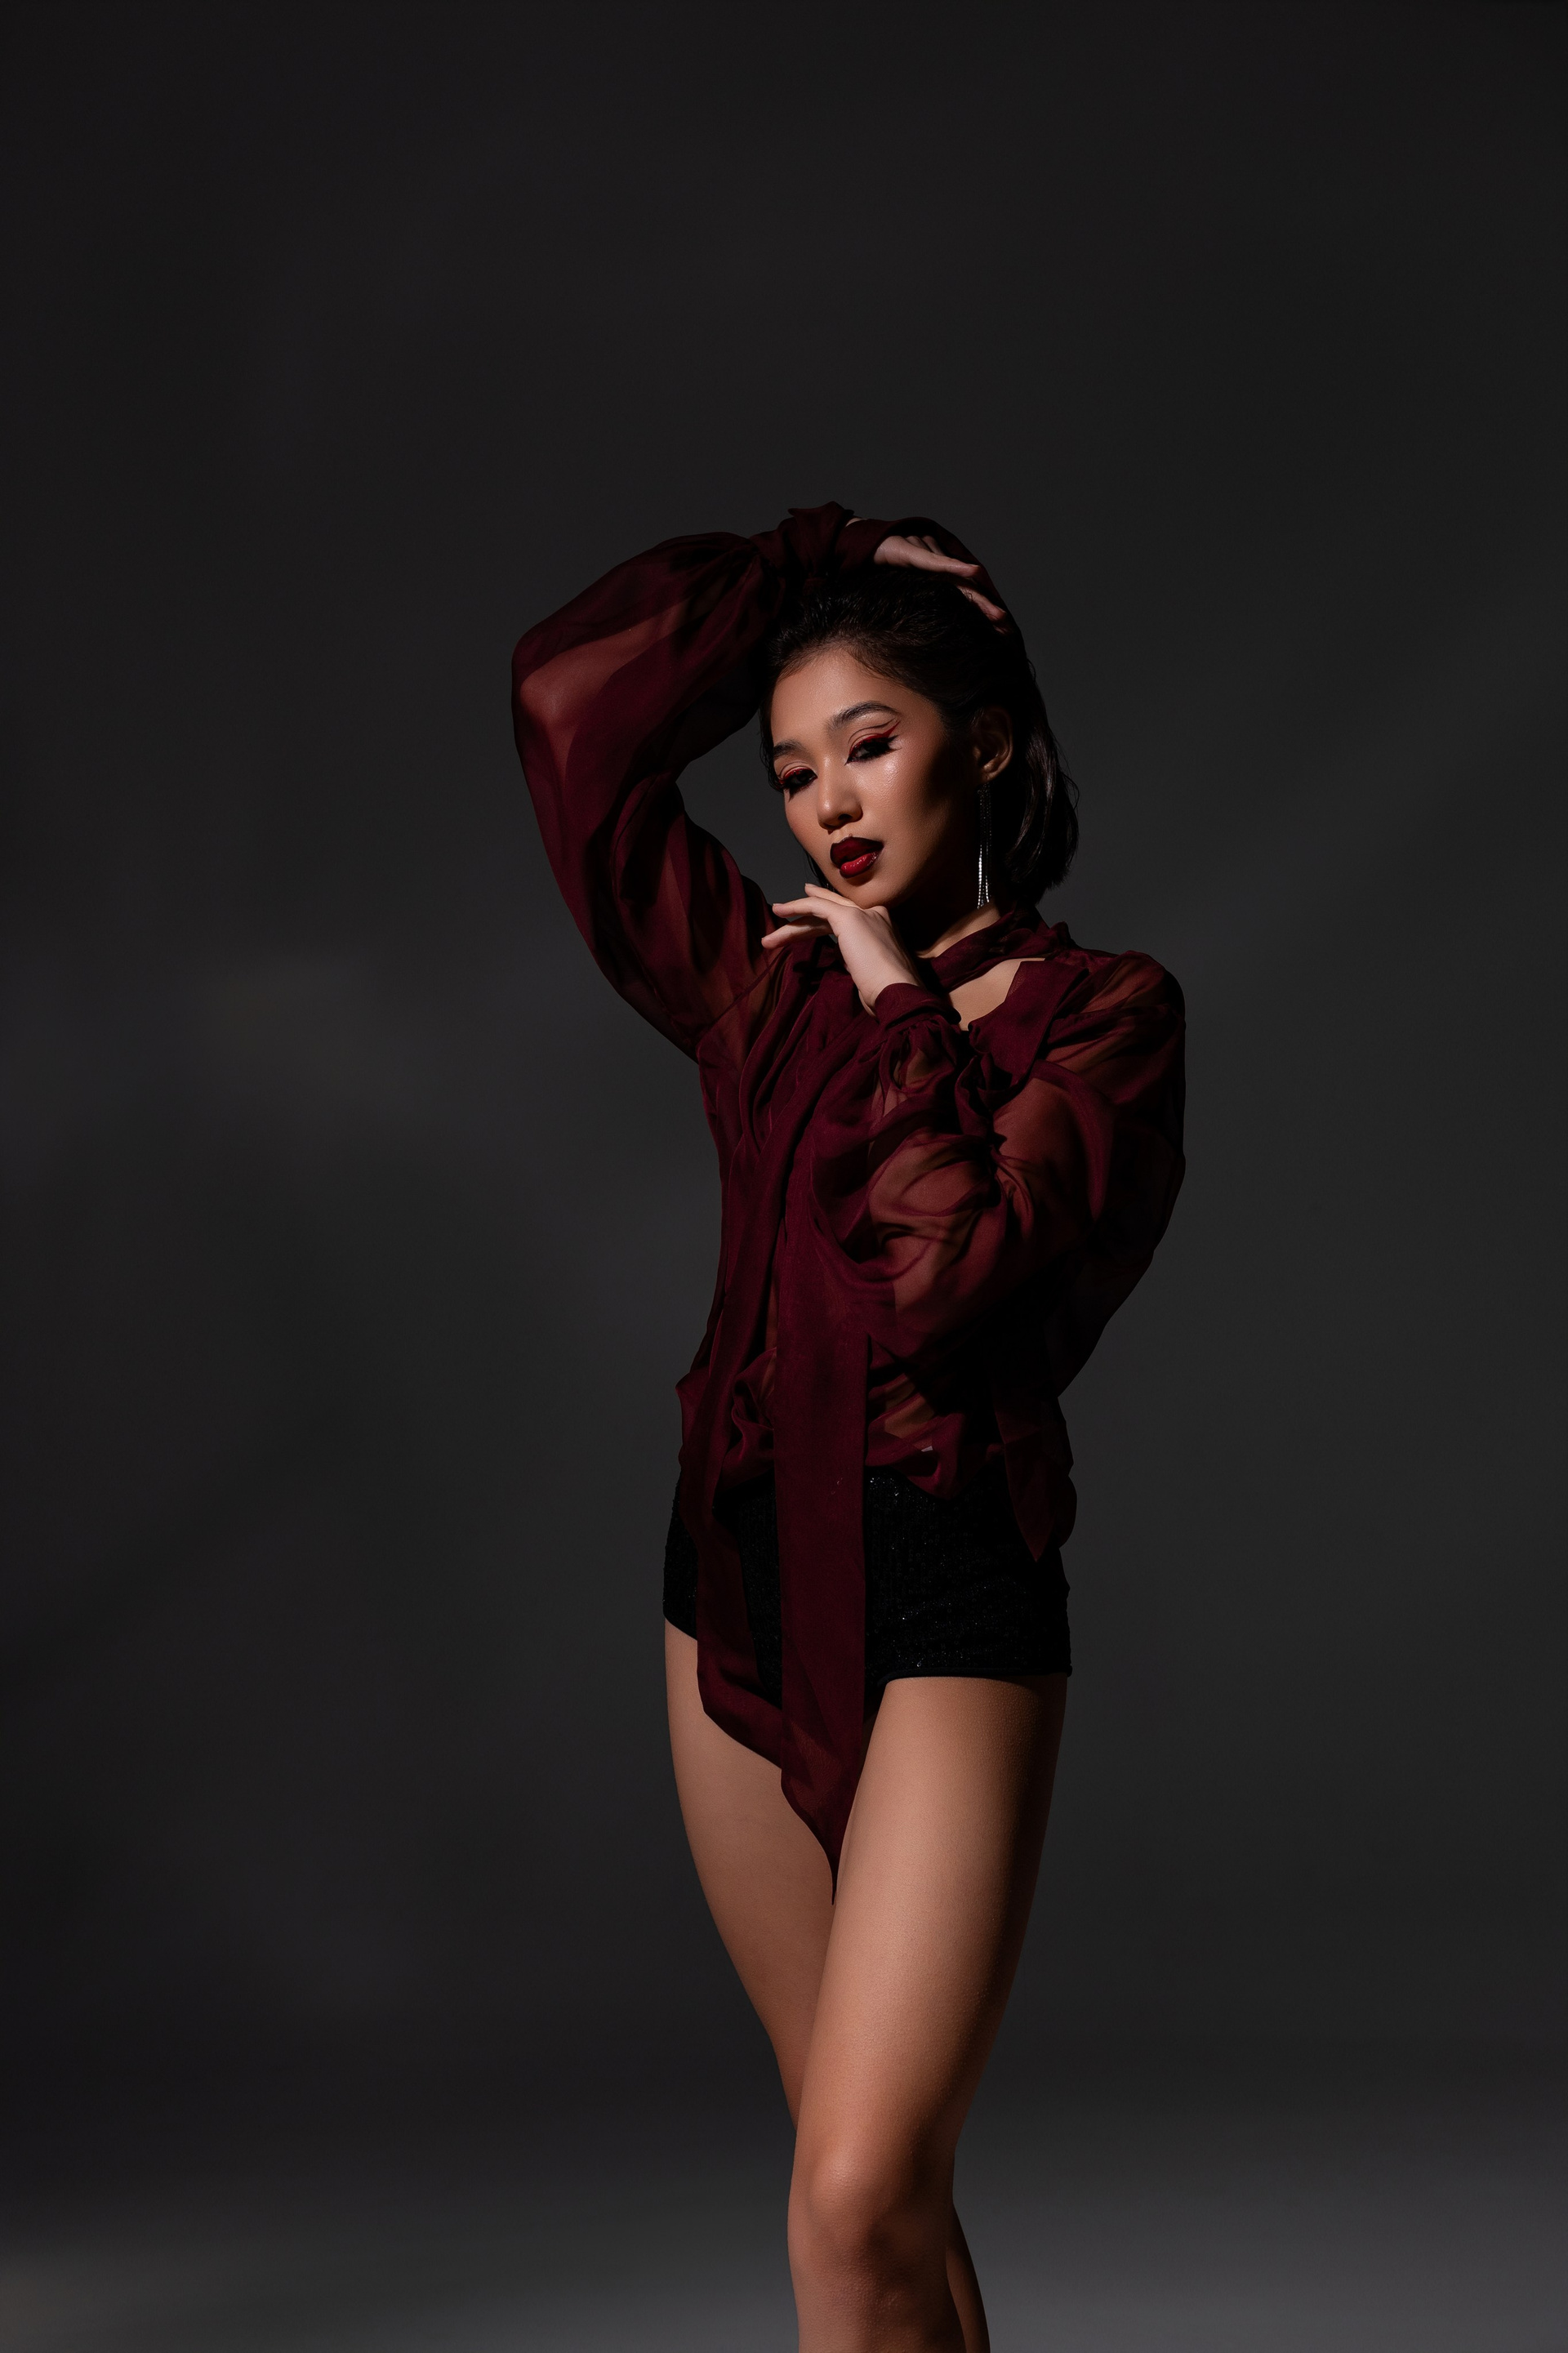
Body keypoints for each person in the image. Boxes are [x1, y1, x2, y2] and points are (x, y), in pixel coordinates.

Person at [512, 504, 1185, 2352]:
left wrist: (895, 994)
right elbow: (568, 713)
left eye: (868, 744)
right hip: (729, 1591)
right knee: (875, 2198)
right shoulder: (760, 990)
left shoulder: (1106, 1017)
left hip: (952, 1593)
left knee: (856, 2194)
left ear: (987, 741)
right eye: (792, 771)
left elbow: (945, 1274)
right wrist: (811, 556)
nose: (826, 806)